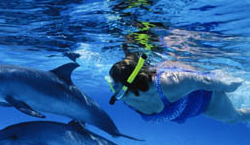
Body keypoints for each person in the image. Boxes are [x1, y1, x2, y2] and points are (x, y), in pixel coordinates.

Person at [105, 53, 249, 124]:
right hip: (196, 108)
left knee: (235, 118)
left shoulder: (168, 83)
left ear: (129, 82)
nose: (113, 88)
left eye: (115, 83)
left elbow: (201, 80)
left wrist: (229, 86)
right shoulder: (125, 97)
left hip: (209, 100)